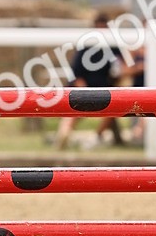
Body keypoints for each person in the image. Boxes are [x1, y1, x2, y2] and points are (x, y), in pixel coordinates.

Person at [52, 12, 126, 150]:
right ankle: (63, 136)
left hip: (105, 89)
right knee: (73, 110)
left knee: (115, 108)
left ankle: (94, 138)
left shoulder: (114, 48)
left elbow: (119, 71)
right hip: (84, 88)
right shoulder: (86, 46)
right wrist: (86, 94)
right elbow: (76, 76)